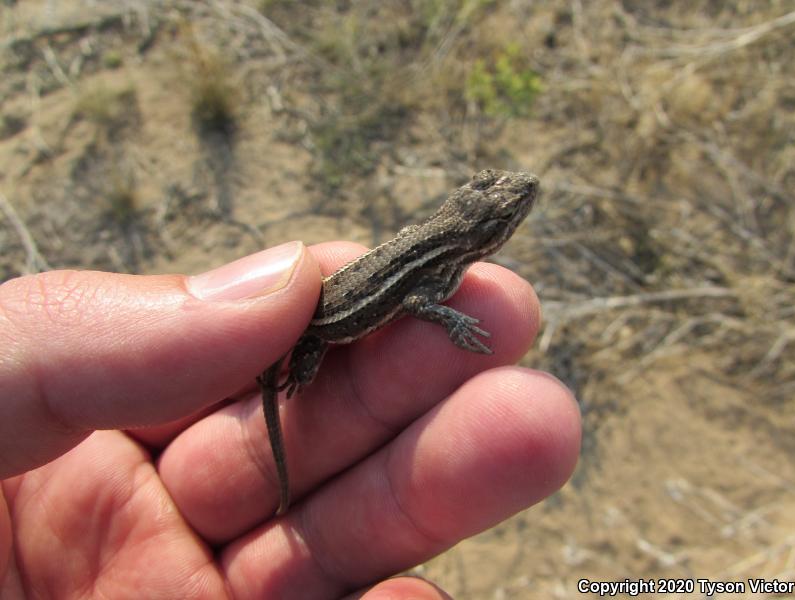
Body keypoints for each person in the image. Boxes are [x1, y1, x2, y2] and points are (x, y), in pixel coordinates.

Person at [0, 241, 580, 599]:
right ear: (490, 234)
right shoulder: (447, 268)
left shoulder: (449, 259)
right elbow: (412, 300)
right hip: (321, 327)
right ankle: (294, 382)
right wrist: (448, 323)